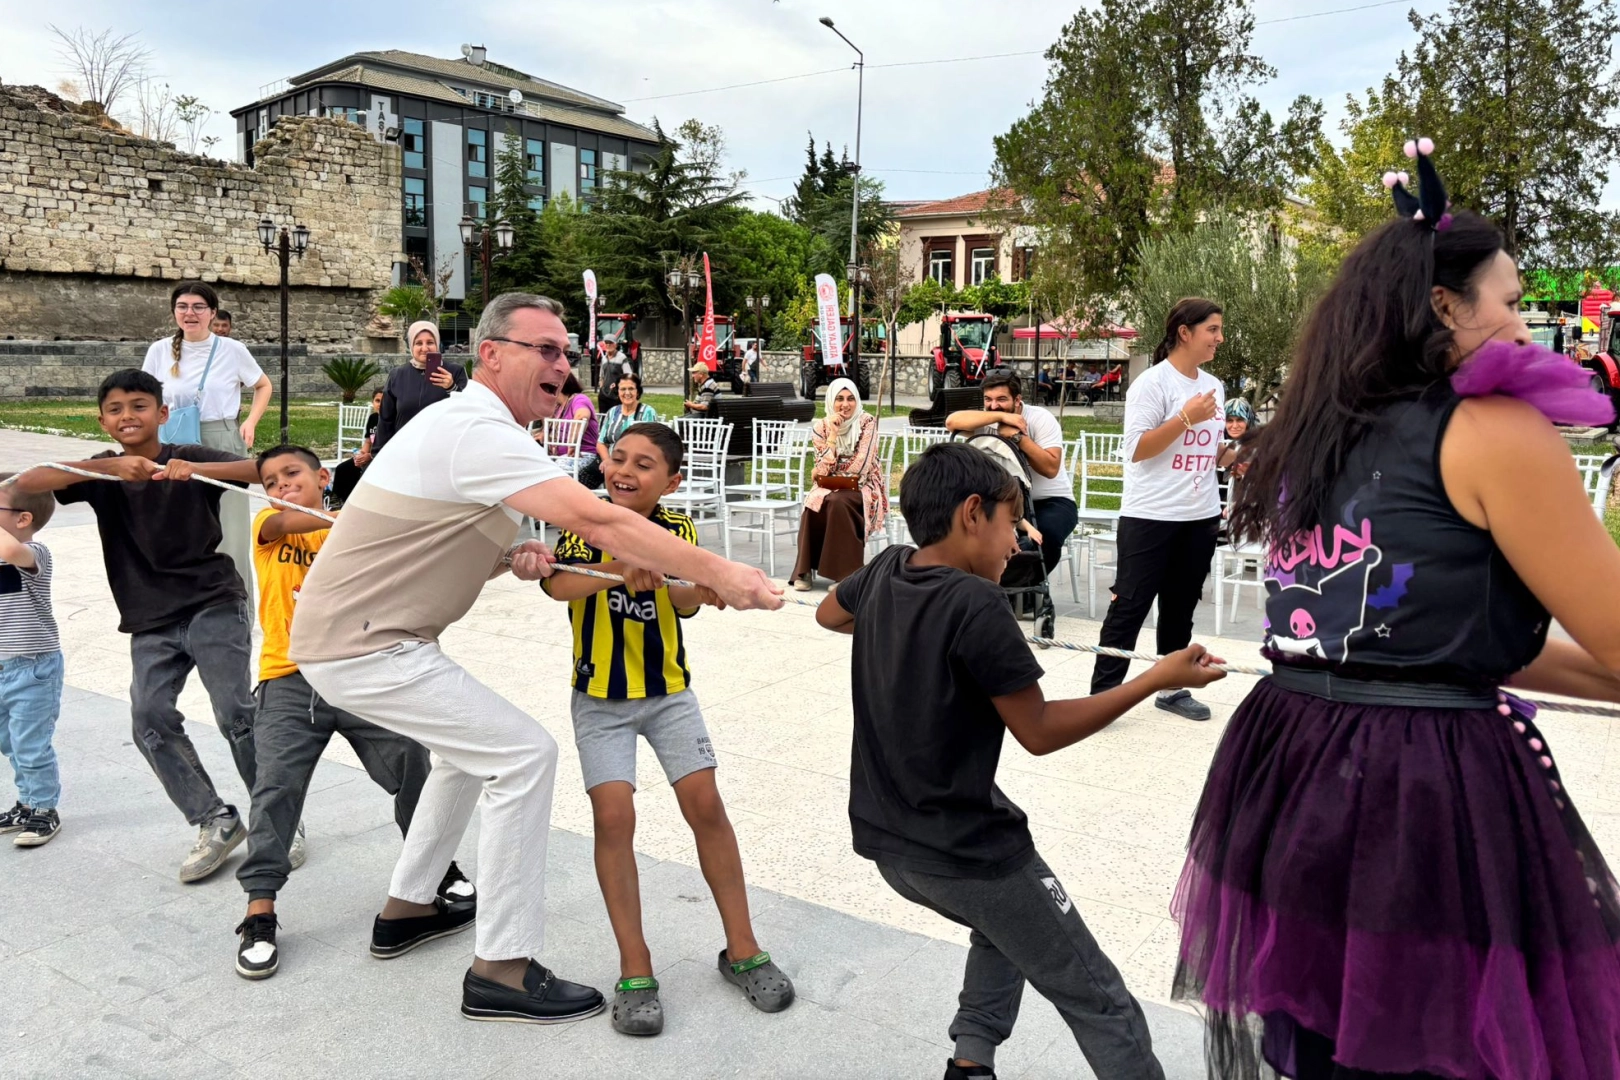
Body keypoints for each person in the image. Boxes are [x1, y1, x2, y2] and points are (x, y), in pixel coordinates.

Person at [1174, 142, 1620, 1079]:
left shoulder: (1313, 434)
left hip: (1290, 767)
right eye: (1510, 302)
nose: (1527, 330)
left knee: (1335, 1040)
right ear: (1445, 306)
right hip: (1421, 786)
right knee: (1443, 1044)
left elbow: (1413, 637)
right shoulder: (1495, 431)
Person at [287, 293, 782, 1025]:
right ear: (490, 354)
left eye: (566, 351)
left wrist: (510, 555)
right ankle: (502, 967)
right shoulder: (475, 428)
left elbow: (443, 539)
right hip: (364, 644)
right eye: (544, 349)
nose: (564, 363)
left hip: (374, 637)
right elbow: (594, 518)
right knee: (523, 756)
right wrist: (724, 572)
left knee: (469, 755)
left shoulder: (492, 433)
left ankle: (408, 908)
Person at [815, 442, 1222, 1080]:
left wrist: (899, 630)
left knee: (1001, 931)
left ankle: (970, 1062)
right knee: (1100, 997)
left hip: (889, 846)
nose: (1017, 542)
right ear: (971, 513)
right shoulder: (977, 603)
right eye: (1012, 523)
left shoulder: (888, 568)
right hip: (971, 854)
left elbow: (827, 612)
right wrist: (1155, 679)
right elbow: (1038, 730)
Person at [540, 423, 794, 1035]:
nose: (624, 471)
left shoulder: (677, 530)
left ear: (673, 482)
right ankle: (635, 966)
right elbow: (558, 585)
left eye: (644, 464)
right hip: (599, 699)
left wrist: (684, 582)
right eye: (619, 458)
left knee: (706, 805)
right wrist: (618, 566)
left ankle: (742, 948)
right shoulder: (583, 520)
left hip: (669, 695)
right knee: (614, 818)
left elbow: (685, 602)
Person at [232, 444, 474, 981]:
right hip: (288, 680)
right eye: (271, 482)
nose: (282, 486)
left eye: (293, 474)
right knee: (275, 789)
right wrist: (358, 516)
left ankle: (434, 867)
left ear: (323, 477)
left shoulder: (357, 534)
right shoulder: (270, 527)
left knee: (412, 763)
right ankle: (259, 912)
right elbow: (288, 521)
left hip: (359, 676)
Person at [13, 369, 262, 882]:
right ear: (103, 421)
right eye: (116, 409)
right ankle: (214, 819)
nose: (128, 416)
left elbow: (261, 469)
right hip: (149, 618)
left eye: (139, 405)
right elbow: (26, 484)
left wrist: (192, 470)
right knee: (148, 717)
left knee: (235, 712)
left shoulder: (188, 455)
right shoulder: (101, 472)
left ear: (162, 413)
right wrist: (107, 467)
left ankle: (279, 816)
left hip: (214, 601)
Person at [1089, 298, 1227, 721]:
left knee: (1181, 606)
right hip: (1150, 516)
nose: (1220, 338)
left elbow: (1206, 451)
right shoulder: (1152, 384)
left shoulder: (1214, 386)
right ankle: (1103, 697)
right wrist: (1185, 418)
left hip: (1200, 515)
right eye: (1213, 329)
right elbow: (1137, 449)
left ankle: (1172, 688)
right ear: (1185, 332)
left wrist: (1233, 456)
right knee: (1129, 605)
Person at [142, 281, 272, 598]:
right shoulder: (159, 350)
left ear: (212, 313)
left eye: (199, 307)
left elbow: (263, 385)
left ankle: (235, 607)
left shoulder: (232, 350)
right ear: (174, 311)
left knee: (229, 531)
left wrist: (250, 422)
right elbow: (144, 396)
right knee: (177, 528)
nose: (190, 313)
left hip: (220, 440)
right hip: (173, 440)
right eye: (183, 306)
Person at [946, 370, 1078, 576]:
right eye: (988, 399)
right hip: (1002, 503)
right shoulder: (986, 418)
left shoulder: (1040, 418)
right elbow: (951, 422)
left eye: (1001, 399)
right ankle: (987, 585)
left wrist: (1018, 437)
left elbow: (1051, 469)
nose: (993, 405)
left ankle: (1027, 587)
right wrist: (1001, 416)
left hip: (1050, 500)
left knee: (1045, 535)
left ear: (1017, 400)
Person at [0, 474, 64, 847]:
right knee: (9, 742)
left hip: (33, 669)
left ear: (23, 519)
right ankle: (26, 804)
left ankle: (44, 808)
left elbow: (10, 552)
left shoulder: (34, 553)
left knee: (30, 744)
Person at [790, 378, 885, 591]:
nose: (845, 404)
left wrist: (830, 470)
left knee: (838, 501)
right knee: (813, 502)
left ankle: (845, 574)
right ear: (831, 401)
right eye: (839, 399)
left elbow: (861, 467)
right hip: (830, 486)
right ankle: (804, 570)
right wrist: (833, 435)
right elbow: (822, 470)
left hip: (863, 486)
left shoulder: (867, 422)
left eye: (851, 399)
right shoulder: (821, 427)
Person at [374, 320, 466, 454]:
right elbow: (386, 419)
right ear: (411, 346)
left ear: (437, 344)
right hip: (404, 451)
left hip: (443, 451)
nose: (425, 348)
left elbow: (467, 410)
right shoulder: (397, 375)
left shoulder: (455, 371)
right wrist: (378, 453)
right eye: (418, 343)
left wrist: (452, 388)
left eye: (430, 342)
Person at [543, 373, 602, 489]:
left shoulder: (578, 399)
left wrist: (572, 444)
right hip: (561, 457)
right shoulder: (559, 407)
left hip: (582, 455)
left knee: (551, 476)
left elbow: (582, 416)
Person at [328, 388, 384, 507]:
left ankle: (355, 503)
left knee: (359, 472)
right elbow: (368, 441)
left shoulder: (393, 420)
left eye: (384, 401)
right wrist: (361, 454)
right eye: (377, 401)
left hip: (381, 458)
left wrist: (370, 456)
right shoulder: (373, 418)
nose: (380, 404)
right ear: (373, 402)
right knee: (343, 468)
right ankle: (339, 501)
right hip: (369, 455)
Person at [596, 373, 660, 459]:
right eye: (623, 389)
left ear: (637, 392)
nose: (627, 393)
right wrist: (607, 461)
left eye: (631, 389)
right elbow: (601, 443)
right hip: (612, 461)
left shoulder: (647, 412)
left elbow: (652, 446)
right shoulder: (612, 412)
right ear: (618, 391)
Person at [595, 336, 629, 414]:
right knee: (603, 417)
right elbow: (601, 376)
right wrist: (601, 387)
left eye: (611, 343)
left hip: (616, 395)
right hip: (604, 394)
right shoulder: (604, 359)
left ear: (616, 345)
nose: (608, 345)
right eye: (606, 343)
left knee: (615, 417)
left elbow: (628, 376)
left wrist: (618, 384)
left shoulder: (622, 357)